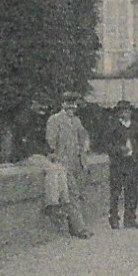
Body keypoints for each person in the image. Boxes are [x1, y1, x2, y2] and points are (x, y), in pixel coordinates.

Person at [45, 92, 92, 238]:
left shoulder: (77, 121)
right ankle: (80, 228)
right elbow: (50, 142)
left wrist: (84, 149)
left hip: (77, 161)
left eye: (74, 102)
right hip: (63, 162)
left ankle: (74, 225)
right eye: (68, 102)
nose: (72, 106)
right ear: (62, 104)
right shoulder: (55, 120)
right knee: (72, 194)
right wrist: (55, 157)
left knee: (77, 193)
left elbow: (84, 137)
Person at [104, 100, 138, 229]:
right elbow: (107, 145)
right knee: (116, 192)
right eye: (122, 111)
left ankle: (130, 218)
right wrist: (119, 149)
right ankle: (114, 218)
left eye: (127, 110)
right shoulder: (113, 127)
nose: (125, 113)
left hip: (132, 162)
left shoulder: (135, 127)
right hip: (118, 163)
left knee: (132, 191)